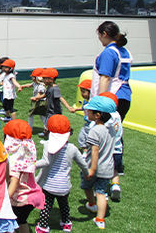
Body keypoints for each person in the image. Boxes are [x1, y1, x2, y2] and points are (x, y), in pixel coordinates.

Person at [35, 115, 88, 233]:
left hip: (48, 185)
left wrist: (31, 165)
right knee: (64, 205)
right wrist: (87, 173)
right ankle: (66, 223)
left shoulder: (48, 145)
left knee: (46, 206)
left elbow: (45, 161)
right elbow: (82, 164)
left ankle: (43, 226)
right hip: (64, 185)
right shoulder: (73, 148)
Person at [81, 96, 117, 230]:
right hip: (108, 168)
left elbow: (95, 152)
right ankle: (100, 219)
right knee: (101, 192)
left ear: (97, 115)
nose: (87, 112)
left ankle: (91, 204)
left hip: (95, 167)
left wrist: (92, 169)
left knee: (86, 186)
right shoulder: (112, 129)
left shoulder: (94, 131)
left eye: (89, 111)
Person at [3, 119, 45, 233]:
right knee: (21, 221)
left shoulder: (14, 159)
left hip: (19, 200)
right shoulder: (26, 153)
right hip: (31, 196)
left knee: (8, 222)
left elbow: (14, 181)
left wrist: (5, 199)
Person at [91, 21, 133, 121]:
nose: (99, 38)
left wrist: (100, 102)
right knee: (115, 130)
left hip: (111, 97)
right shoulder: (125, 51)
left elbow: (105, 78)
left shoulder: (109, 52)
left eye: (99, 35)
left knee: (104, 132)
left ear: (104, 34)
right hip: (125, 96)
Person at [98, 92, 123, 202]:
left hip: (108, 151)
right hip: (118, 150)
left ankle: (102, 192)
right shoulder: (117, 115)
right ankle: (116, 186)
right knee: (115, 171)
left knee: (103, 172)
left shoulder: (107, 119)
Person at [34, 68, 73, 137]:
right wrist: (38, 98)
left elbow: (60, 98)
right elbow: (46, 94)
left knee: (52, 124)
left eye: (44, 78)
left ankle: (64, 132)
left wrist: (68, 107)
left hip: (55, 111)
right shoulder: (49, 87)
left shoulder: (55, 89)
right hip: (50, 110)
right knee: (48, 123)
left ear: (51, 79)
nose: (43, 80)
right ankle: (47, 133)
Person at [72, 79, 92, 150]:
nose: (82, 94)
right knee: (82, 137)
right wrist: (76, 109)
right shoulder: (85, 101)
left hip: (93, 124)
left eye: (83, 92)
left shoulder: (93, 102)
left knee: (91, 140)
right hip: (87, 124)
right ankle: (85, 152)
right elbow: (84, 108)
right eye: (81, 92)